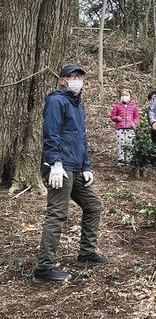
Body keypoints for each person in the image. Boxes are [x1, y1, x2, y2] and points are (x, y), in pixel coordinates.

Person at [33, 64, 107, 283]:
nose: (78, 80)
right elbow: (51, 133)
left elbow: (80, 138)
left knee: (93, 205)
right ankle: (43, 269)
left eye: (80, 77)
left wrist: (86, 165)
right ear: (62, 80)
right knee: (57, 214)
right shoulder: (56, 101)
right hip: (60, 168)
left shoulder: (78, 105)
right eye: (73, 77)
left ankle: (86, 254)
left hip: (75, 167)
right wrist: (54, 163)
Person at [110, 88, 141, 166]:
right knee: (120, 143)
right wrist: (117, 118)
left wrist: (134, 123)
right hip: (120, 128)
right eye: (123, 95)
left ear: (130, 96)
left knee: (129, 143)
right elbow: (112, 116)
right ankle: (121, 160)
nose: (125, 96)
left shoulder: (134, 106)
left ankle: (128, 159)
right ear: (120, 96)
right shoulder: (117, 106)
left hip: (130, 128)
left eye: (126, 95)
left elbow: (136, 116)